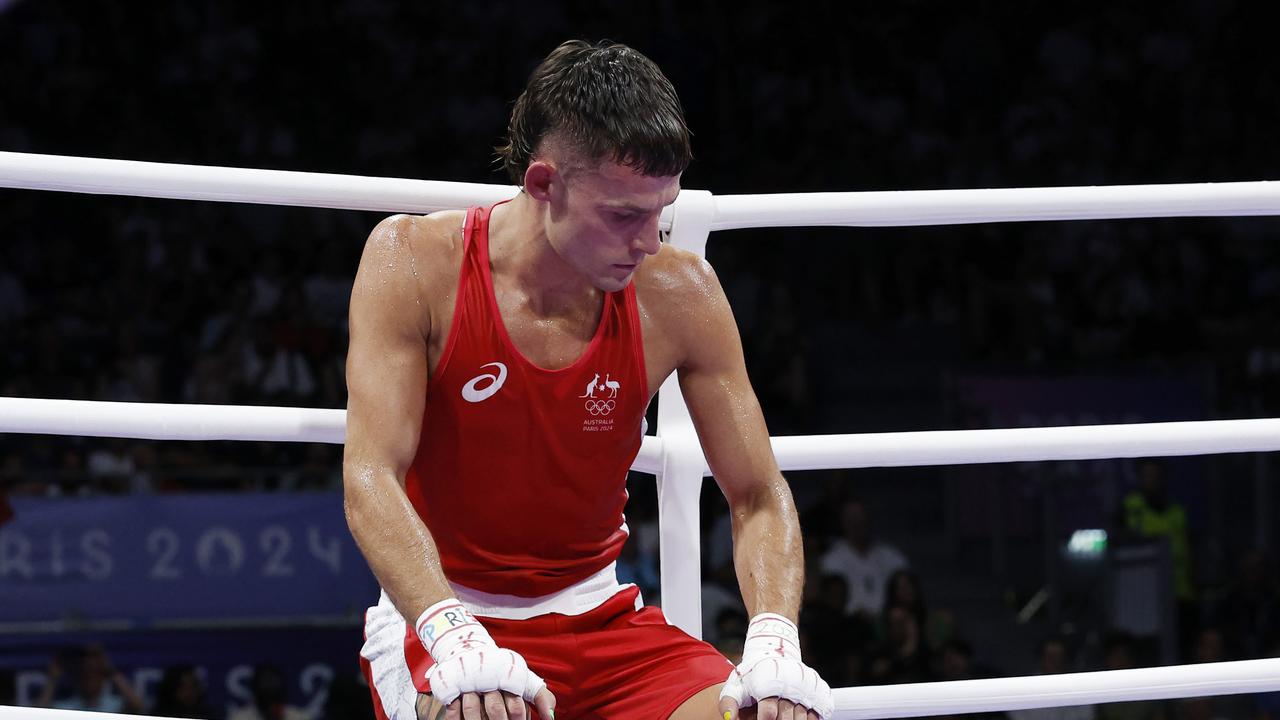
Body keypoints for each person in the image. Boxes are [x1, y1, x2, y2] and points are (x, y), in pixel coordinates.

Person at [345, 40, 832, 720]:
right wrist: (450, 632)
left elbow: (757, 494)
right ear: (544, 185)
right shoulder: (415, 265)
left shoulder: (679, 294)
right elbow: (370, 479)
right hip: (442, 615)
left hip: (605, 621)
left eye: (660, 213)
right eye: (625, 216)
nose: (649, 243)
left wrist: (776, 640)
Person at [819, 498, 909, 619]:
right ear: (842, 522)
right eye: (852, 518)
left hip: (887, 624)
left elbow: (908, 590)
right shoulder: (831, 559)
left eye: (861, 517)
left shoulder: (890, 555)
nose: (857, 523)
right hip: (848, 624)